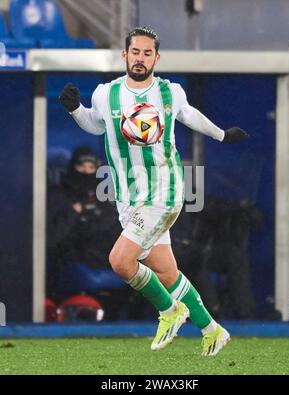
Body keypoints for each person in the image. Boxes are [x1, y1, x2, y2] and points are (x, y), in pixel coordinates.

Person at [59, 26, 248, 356]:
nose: (141, 58)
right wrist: (75, 110)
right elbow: (94, 123)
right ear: (125, 55)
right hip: (128, 199)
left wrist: (221, 135)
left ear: (156, 58)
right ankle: (212, 330)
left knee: (119, 261)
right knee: (166, 272)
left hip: (164, 191)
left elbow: (189, 115)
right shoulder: (106, 94)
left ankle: (170, 311)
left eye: (148, 53)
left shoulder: (169, 92)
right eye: (136, 52)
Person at [47, 146, 121, 299]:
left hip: (102, 259)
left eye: (91, 167)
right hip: (66, 262)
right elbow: (51, 238)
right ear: (73, 167)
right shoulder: (58, 196)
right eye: (81, 167)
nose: (87, 172)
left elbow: (113, 231)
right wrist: (73, 212)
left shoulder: (104, 199)